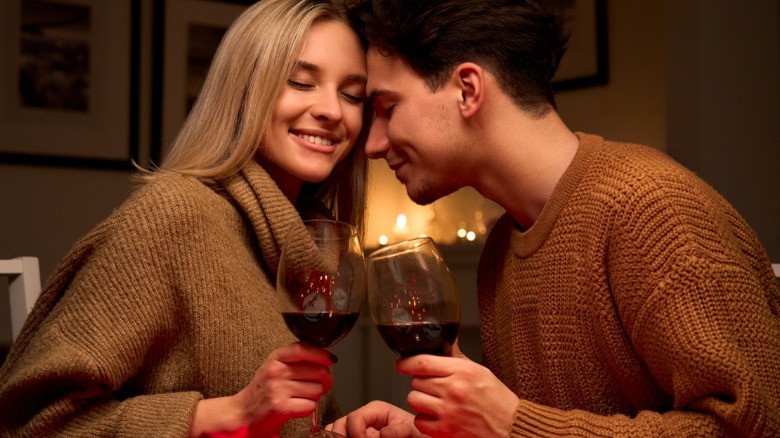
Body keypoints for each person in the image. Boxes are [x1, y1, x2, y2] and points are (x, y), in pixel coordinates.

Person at [328, 0, 780, 436]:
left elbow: (753, 426)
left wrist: (512, 425)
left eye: (387, 108)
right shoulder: (502, 248)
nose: (372, 144)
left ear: (468, 90)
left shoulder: (651, 208)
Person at [0, 0, 370, 436]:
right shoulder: (175, 216)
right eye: (300, 82)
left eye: (352, 95)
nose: (332, 110)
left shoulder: (304, 239)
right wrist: (227, 414)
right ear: (244, 90)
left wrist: (335, 430)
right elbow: (28, 422)